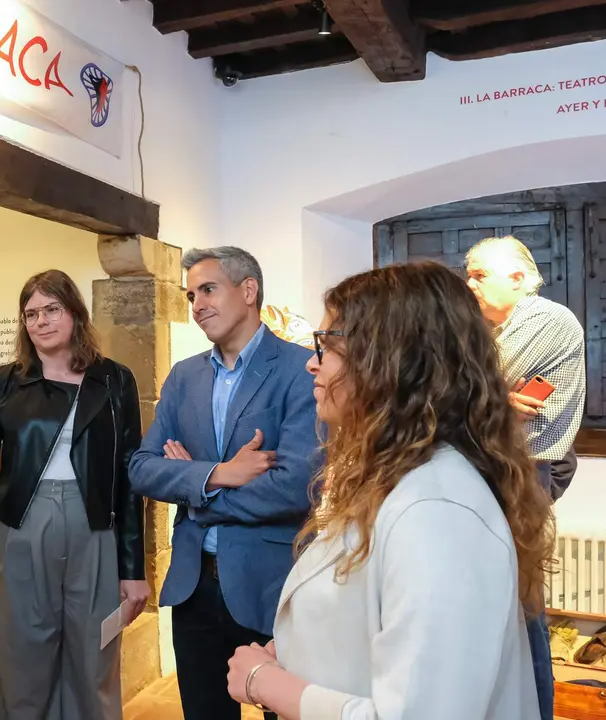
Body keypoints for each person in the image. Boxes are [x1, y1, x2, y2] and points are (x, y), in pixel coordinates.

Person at [226, 261, 551, 719]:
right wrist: (303, 647)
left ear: (391, 361)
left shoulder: (438, 511)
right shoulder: (394, 477)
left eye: (327, 345)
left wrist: (266, 683)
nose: (312, 361)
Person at [128, 246, 319, 720]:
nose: (197, 305)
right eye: (191, 295)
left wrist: (195, 492)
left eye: (208, 289)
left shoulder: (302, 369)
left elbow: (294, 487)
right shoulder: (183, 376)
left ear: (248, 290)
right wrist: (220, 473)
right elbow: (141, 468)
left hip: (273, 582)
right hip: (194, 588)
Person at [0, 269, 148, 720]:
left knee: (95, 648)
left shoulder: (115, 380)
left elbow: (129, 477)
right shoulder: (6, 379)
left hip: (96, 526)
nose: (41, 321)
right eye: (31, 313)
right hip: (25, 522)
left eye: (52, 309)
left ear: (75, 313)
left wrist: (133, 567)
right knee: (25, 646)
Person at [466, 235, 587, 719]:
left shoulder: (545, 318)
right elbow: (467, 384)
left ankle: (535, 707)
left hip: (523, 470)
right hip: (498, 465)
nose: (468, 283)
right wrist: (492, 400)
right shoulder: (488, 328)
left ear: (518, 279)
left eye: (479, 275)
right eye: (468, 274)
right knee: (494, 601)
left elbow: (459, 380)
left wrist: (480, 395)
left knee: (518, 604)